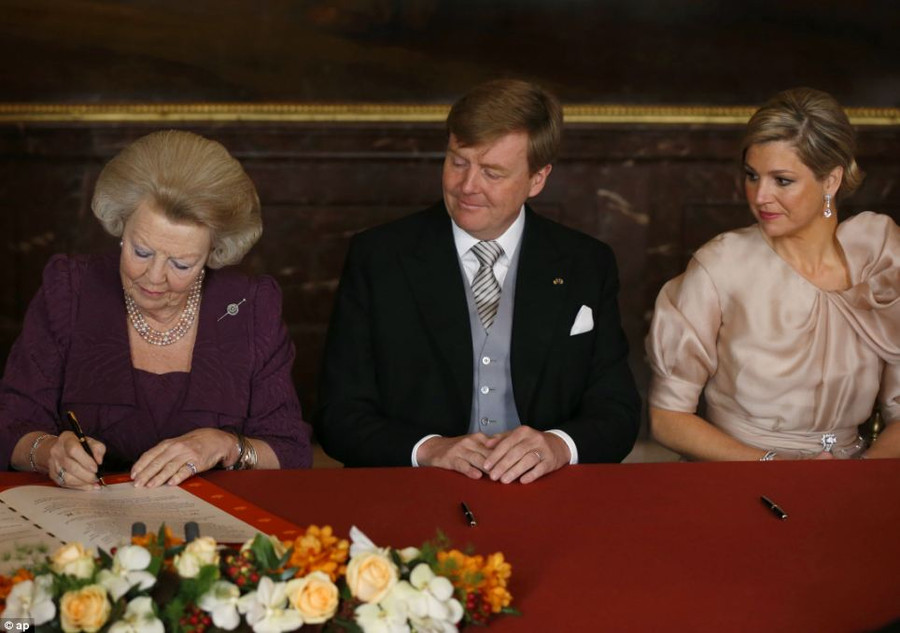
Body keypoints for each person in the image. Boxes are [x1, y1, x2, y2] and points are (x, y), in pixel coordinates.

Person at [315, 79, 640, 483]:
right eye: (458, 161)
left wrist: (557, 446)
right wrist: (428, 449)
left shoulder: (586, 263)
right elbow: (337, 415)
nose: (467, 186)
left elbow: (618, 412)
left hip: (548, 494)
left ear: (537, 179)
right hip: (415, 491)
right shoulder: (379, 257)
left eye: (492, 172)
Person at [0, 130, 312, 489]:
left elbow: (290, 450)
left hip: (212, 531)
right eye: (141, 252)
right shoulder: (69, 290)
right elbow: (12, 424)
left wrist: (227, 446)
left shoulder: (248, 307)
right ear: (121, 226)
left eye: (181, 264)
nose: (154, 276)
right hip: (81, 525)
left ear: (214, 253)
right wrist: (49, 451)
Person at [646, 87, 899, 461]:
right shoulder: (721, 265)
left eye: (782, 180)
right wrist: (774, 469)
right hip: (741, 478)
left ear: (830, 181)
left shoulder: (881, 257)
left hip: (854, 477)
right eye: (752, 176)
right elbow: (667, 418)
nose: (759, 196)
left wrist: (855, 479)